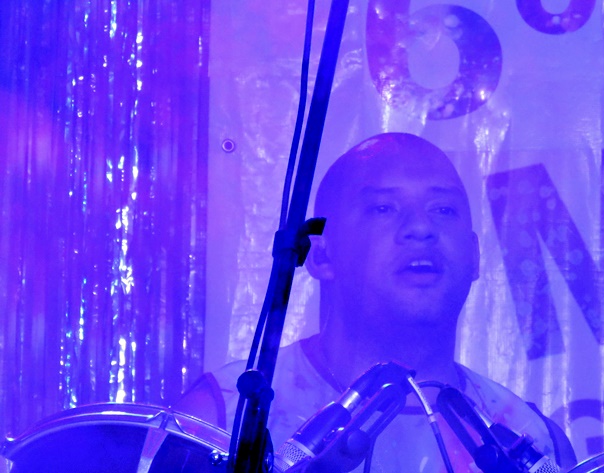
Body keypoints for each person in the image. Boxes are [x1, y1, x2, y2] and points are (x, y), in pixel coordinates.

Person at [176, 132, 576, 471]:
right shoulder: (225, 418)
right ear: (322, 255)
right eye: (383, 208)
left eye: (443, 209)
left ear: (474, 256)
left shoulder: (535, 444)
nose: (420, 228)